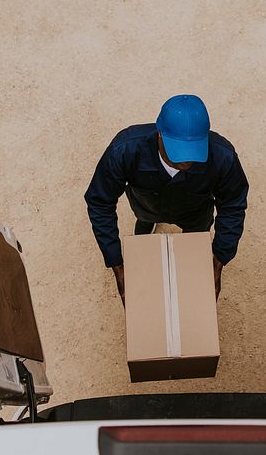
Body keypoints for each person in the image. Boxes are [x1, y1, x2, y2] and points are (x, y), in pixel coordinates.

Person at [85, 95, 249, 303]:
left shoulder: (223, 157)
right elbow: (100, 202)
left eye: (194, 151)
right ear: (160, 135)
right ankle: (145, 226)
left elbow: (233, 205)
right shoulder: (125, 150)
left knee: (193, 246)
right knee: (144, 221)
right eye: (179, 151)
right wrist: (116, 262)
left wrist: (219, 258)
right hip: (146, 205)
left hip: (196, 213)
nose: (187, 161)